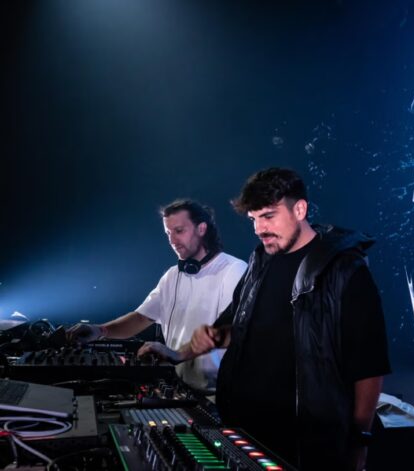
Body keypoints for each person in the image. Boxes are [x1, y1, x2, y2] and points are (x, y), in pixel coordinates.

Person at [169, 168, 391, 470]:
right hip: (244, 430)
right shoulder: (260, 260)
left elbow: (368, 367)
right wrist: (211, 338)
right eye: (254, 219)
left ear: (299, 210)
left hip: (304, 444)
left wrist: (359, 442)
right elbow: (242, 326)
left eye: (269, 216)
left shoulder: (345, 271)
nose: (259, 228)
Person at [66, 199, 247, 391]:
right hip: (179, 389)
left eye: (179, 231)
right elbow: (140, 318)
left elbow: (231, 332)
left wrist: (177, 354)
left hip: (217, 394)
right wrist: (101, 330)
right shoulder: (172, 275)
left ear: (201, 229)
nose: (172, 241)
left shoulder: (233, 270)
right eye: (168, 233)